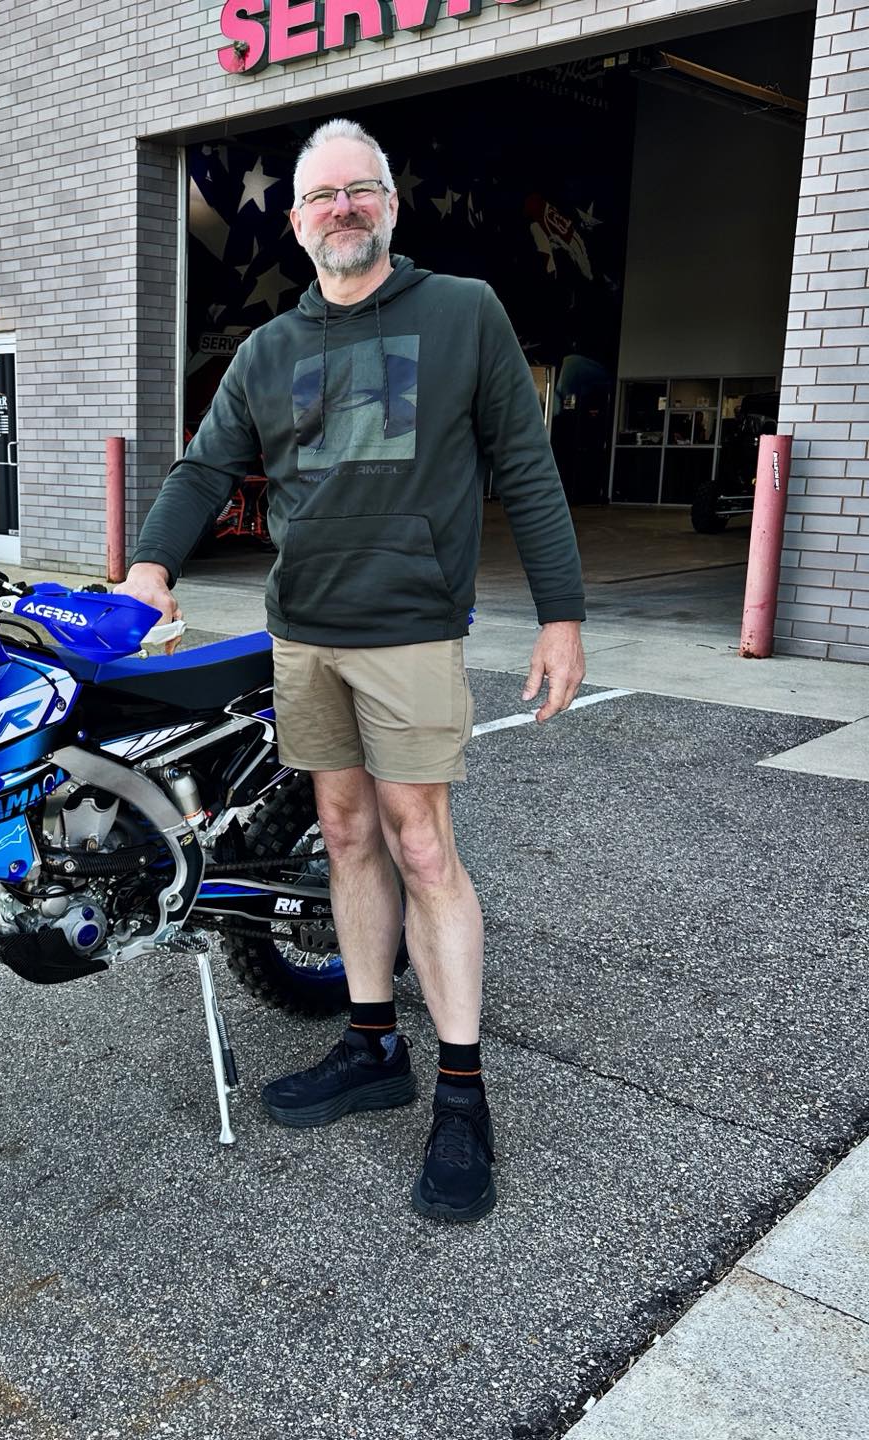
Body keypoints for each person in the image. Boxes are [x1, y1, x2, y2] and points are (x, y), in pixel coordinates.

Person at [116, 119, 586, 1223]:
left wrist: (561, 617)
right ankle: (372, 1041)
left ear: (389, 204)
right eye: (321, 196)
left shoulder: (463, 312)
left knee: (423, 843)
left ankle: (462, 1094)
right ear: (295, 221)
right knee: (342, 833)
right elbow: (201, 469)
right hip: (305, 635)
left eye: (359, 192)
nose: (342, 209)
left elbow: (525, 465)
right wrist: (145, 571)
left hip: (414, 629)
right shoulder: (269, 354)